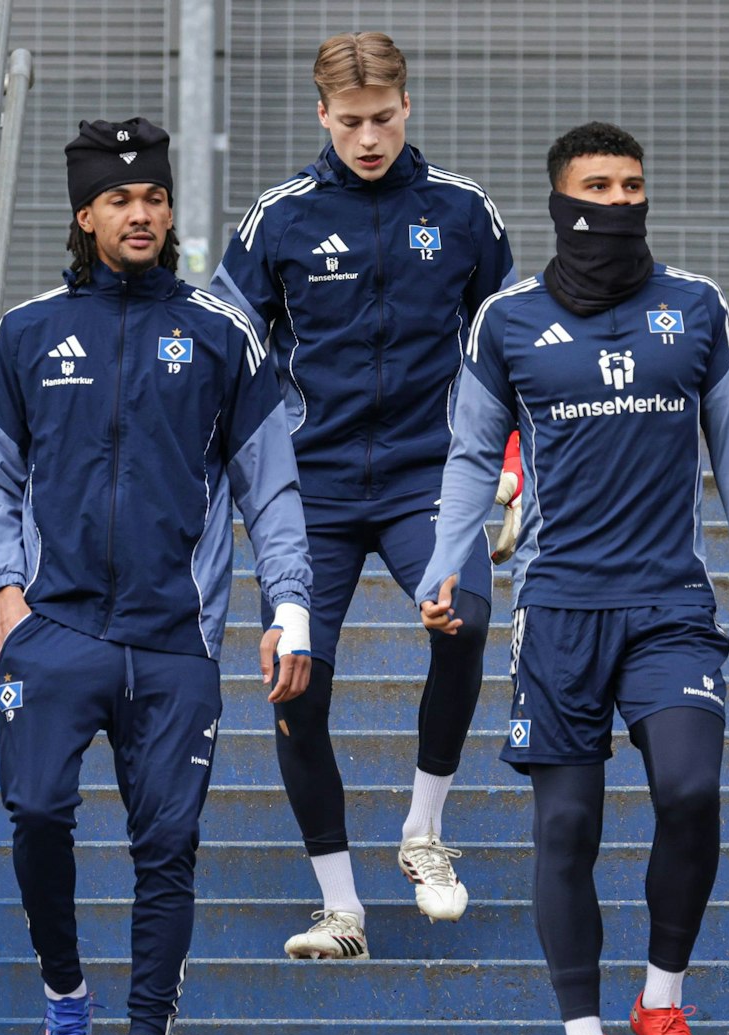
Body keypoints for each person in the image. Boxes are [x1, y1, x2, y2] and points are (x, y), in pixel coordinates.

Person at [415, 121, 729, 1035]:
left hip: (668, 605)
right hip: (559, 607)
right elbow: (470, 455)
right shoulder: (507, 321)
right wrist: (444, 565)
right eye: (597, 187)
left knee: (688, 792)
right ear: (560, 201)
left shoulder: (695, 308)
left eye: (631, 186)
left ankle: (661, 1004)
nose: (617, 202)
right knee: (566, 825)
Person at [0, 117, 314, 1035]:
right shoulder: (27, 332)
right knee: (37, 813)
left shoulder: (219, 333)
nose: (140, 214)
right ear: (85, 214)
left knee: (166, 848)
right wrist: (4, 595)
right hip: (54, 628)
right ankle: (64, 987)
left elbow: (269, 488)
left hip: (173, 640)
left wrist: (289, 602)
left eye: (154, 197)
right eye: (119, 199)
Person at [211, 31, 519, 960]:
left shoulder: (463, 210)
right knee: (296, 678)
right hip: (312, 486)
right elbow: (227, 349)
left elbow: (513, 343)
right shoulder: (279, 218)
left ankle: (423, 830)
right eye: (350, 122)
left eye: (384, 118)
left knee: (465, 621)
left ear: (407, 105)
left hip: (433, 474)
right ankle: (340, 906)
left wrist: (511, 459)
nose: (370, 138)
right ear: (322, 115)